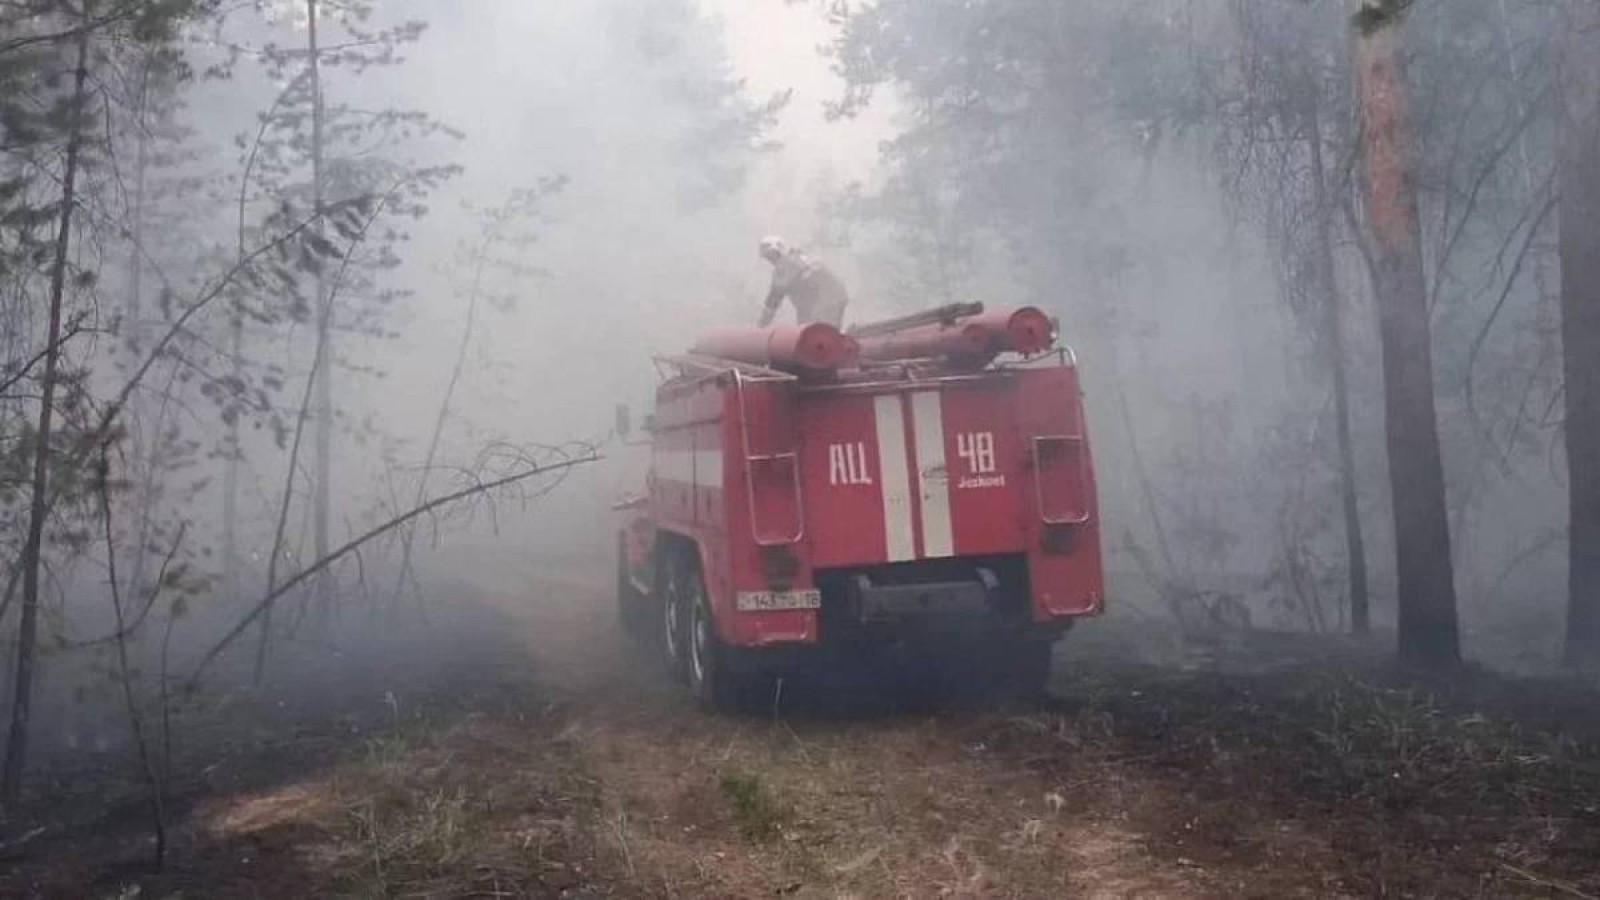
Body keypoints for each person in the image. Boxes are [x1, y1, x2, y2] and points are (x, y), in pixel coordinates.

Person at [757, 235, 849, 329]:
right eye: (768, 257)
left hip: (824, 301)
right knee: (822, 332)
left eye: (772, 255)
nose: (771, 260)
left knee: (813, 334)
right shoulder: (802, 257)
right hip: (835, 297)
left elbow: (773, 300)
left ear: (780, 250)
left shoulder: (784, 266)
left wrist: (761, 326)